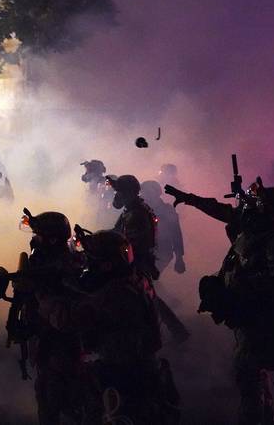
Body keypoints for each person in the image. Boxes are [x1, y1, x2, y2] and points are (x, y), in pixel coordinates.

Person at [166, 182, 274, 425]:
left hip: (264, 321)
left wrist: (240, 290)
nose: (252, 207)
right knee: (251, 373)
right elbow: (225, 212)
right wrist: (191, 198)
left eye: (260, 204)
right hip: (248, 316)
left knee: (247, 374)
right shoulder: (257, 229)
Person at [73, 229, 180, 425]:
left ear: (106, 265)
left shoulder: (115, 294)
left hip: (124, 376)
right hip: (144, 369)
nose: (89, 266)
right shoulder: (136, 279)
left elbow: (84, 333)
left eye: (93, 261)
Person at [20, 211, 88, 425]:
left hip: (60, 343)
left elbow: (65, 314)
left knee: (59, 399)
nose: (34, 240)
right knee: (48, 394)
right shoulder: (48, 262)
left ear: (51, 239)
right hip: (48, 340)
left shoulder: (67, 266)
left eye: (39, 236)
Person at [109, 175, 190, 343]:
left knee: (147, 296)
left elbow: (127, 240)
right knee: (149, 295)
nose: (117, 196)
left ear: (129, 193)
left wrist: (179, 257)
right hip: (136, 259)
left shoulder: (137, 213)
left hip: (138, 260)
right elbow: (116, 232)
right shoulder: (131, 210)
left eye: (120, 192)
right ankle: (174, 329)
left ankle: (161, 333)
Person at [140, 181, 186, 274]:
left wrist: (179, 257)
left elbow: (176, 233)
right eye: (144, 192)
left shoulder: (167, 210)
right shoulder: (138, 209)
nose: (146, 196)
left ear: (157, 193)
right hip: (141, 251)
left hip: (162, 251)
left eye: (149, 193)